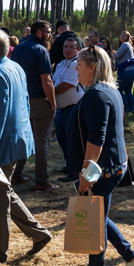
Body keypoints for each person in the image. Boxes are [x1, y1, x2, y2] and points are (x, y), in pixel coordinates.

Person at [62, 44, 134, 266]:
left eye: (79, 65)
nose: (76, 69)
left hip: (102, 170)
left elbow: (97, 138)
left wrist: (86, 174)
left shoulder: (98, 95)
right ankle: (131, 260)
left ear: (92, 67)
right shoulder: (109, 91)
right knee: (98, 218)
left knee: (94, 221)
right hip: (112, 166)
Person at [0, 29, 51, 265]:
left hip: (1, 147)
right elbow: (23, 104)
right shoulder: (13, 68)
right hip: (15, 142)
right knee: (4, 193)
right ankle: (39, 234)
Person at [10, 21, 59, 192]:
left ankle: (15, 175)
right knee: (41, 141)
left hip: (21, 101)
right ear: (39, 32)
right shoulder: (41, 51)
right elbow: (46, 80)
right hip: (38, 101)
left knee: (24, 138)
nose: (50, 36)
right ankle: (42, 181)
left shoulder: (18, 48)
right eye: (48, 32)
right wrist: (52, 102)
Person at [53, 36, 83, 182]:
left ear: (78, 49)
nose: (68, 50)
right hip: (62, 109)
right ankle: (69, 166)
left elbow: (67, 85)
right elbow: (54, 82)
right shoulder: (61, 64)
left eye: (71, 47)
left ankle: (76, 171)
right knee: (62, 138)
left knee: (73, 141)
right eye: (65, 47)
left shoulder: (76, 63)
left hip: (73, 108)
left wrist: (48, 94)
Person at [114, 31, 134, 115]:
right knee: (128, 91)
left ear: (128, 38)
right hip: (132, 70)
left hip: (126, 71)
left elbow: (116, 56)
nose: (122, 37)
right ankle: (130, 110)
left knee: (118, 90)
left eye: (124, 35)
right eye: (121, 35)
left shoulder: (125, 44)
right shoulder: (129, 45)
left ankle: (126, 109)